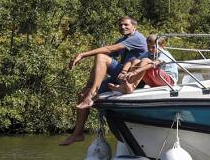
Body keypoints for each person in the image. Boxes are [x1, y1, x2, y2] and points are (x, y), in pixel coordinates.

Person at [61, 16, 147, 146]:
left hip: (134, 76)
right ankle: (77, 133)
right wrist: (88, 85)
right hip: (121, 75)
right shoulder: (123, 40)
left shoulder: (137, 38)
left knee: (101, 57)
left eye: (126, 25)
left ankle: (92, 93)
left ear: (134, 27)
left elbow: (107, 50)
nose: (122, 27)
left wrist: (82, 55)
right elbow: (106, 56)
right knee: (82, 94)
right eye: (120, 25)